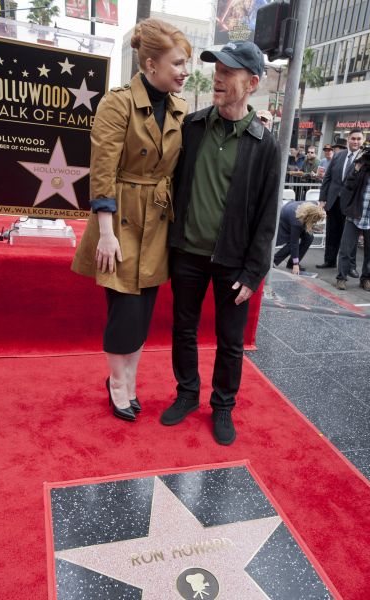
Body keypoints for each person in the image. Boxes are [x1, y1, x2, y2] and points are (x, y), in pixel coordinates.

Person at [160, 41, 281, 445]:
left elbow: (267, 216)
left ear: (252, 83)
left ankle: (223, 406)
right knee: (184, 329)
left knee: (231, 342)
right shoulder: (192, 127)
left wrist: (254, 271)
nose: (219, 76)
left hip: (233, 262)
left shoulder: (265, 144)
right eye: (217, 68)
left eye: (229, 71)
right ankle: (187, 394)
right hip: (188, 254)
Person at [71, 18, 191, 421]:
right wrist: (105, 234)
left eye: (187, 63)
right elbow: (101, 169)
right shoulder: (117, 101)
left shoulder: (179, 108)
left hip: (157, 218)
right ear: (151, 64)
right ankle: (118, 383)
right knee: (124, 308)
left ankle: (130, 379)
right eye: (178, 63)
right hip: (120, 218)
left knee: (145, 309)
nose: (185, 71)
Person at [316, 128, 364, 273]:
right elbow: (328, 178)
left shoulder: (365, 159)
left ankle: (351, 267)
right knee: (332, 232)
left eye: (358, 139)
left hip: (351, 204)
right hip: (333, 201)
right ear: (348, 139)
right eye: (353, 138)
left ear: (362, 141)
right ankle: (329, 261)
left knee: (350, 237)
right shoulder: (338, 155)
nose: (355, 141)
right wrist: (323, 199)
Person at [336, 146, 370, 291]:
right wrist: (356, 170)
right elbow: (349, 186)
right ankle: (341, 278)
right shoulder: (362, 165)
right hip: (355, 213)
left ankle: (366, 279)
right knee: (346, 248)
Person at [274, 201, 325, 274]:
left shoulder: (313, 205)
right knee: (292, 242)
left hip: (296, 214)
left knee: (309, 238)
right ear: (309, 218)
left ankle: (291, 263)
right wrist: (296, 264)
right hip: (286, 220)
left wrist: (313, 226)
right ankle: (275, 261)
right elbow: (294, 243)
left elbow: (310, 218)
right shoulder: (297, 222)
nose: (315, 222)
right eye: (314, 221)